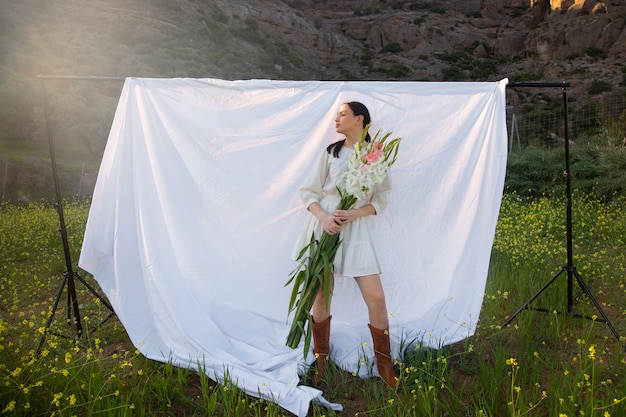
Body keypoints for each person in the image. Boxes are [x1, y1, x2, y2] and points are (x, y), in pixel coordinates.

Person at [292, 101, 398, 387]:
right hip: (325, 227)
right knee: (322, 295)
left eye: (342, 114)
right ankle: (321, 361)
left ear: (359, 119)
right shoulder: (331, 153)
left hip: (356, 227)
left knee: (375, 298)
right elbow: (309, 192)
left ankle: (385, 364)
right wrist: (324, 218)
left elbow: (381, 199)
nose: (336, 119)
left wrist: (355, 212)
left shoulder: (375, 156)